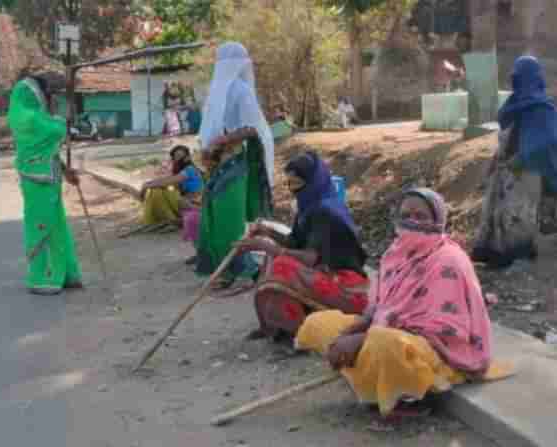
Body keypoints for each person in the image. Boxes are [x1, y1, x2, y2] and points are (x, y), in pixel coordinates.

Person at [295, 188, 511, 426]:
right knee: (320, 323)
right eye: (406, 215)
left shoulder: (448, 260)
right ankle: (371, 378)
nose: (412, 222)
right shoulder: (395, 253)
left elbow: (440, 330)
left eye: (421, 217)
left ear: (437, 220)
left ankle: (409, 395)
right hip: (384, 332)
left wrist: (361, 339)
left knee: (385, 343)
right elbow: (379, 306)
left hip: (438, 350)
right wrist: (355, 329)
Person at [234, 152, 369, 344]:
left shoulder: (326, 211)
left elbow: (310, 258)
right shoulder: (310, 207)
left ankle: (299, 333)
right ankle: (277, 324)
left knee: (281, 264)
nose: (292, 190)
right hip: (322, 274)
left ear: (313, 181)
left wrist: (267, 246)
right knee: (272, 258)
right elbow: (294, 242)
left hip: (347, 286)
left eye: (296, 184)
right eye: (289, 184)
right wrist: (267, 233)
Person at [196, 42, 275, 286]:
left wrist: (222, 140)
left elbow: (252, 127)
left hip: (234, 161)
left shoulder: (241, 90)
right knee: (213, 214)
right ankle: (220, 268)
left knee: (228, 217)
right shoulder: (217, 90)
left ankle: (238, 270)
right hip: (216, 162)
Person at [472, 55, 557, 268]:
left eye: (522, 78)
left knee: (518, 215)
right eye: (516, 78)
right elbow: (505, 138)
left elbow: (547, 141)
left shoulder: (543, 109)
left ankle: (519, 257)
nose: (518, 82)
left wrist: (521, 159)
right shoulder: (511, 106)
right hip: (504, 171)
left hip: (526, 173)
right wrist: (493, 166)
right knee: (498, 213)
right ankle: (495, 257)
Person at [8, 77, 83, 295]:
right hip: (36, 181)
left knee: (58, 227)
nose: (47, 98)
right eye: (45, 93)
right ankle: (43, 278)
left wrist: (67, 171)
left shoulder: (41, 118)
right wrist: (63, 120)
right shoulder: (26, 118)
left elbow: (51, 150)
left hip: (51, 178)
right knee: (42, 226)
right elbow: (56, 131)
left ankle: (65, 274)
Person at [140, 145, 204, 227]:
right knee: (158, 190)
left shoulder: (189, 170)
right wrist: (148, 184)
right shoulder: (180, 171)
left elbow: (167, 182)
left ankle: (171, 219)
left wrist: (146, 185)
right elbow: (164, 180)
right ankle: (170, 219)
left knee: (161, 190)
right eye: (175, 156)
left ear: (187, 157)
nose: (178, 159)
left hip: (193, 203)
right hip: (185, 202)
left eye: (180, 156)